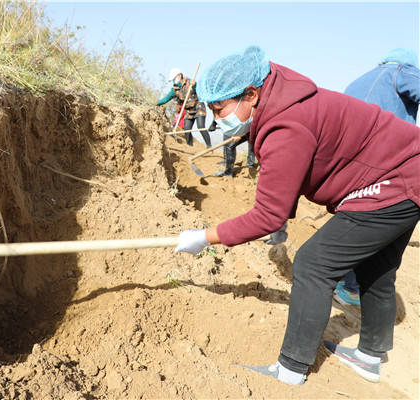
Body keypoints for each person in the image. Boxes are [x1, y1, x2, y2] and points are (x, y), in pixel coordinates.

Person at [173, 46, 420, 385]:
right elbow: (289, 181)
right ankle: (370, 356)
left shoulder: (286, 125)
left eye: (221, 108)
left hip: (395, 181)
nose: (217, 119)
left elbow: (267, 214)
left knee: (314, 263)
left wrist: (205, 237)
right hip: (408, 171)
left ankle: (290, 369)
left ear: (251, 93)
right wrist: (279, 224)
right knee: (376, 265)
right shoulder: (281, 95)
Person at [334, 48, 420, 307]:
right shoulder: (400, 73)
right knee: (380, 231)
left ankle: (341, 281)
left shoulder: (356, 81)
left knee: (352, 220)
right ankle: (352, 288)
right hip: (387, 165)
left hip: (351, 164)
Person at [157, 68, 212, 147]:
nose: (174, 81)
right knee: (187, 129)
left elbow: (200, 91)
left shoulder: (190, 82)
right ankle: (190, 146)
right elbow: (166, 99)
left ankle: (209, 146)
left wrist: (195, 86)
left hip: (198, 107)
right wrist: (156, 103)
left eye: (174, 78)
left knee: (200, 126)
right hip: (189, 110)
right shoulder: (175, 90)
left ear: (179, 75)